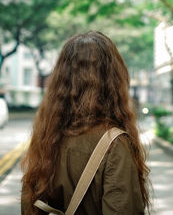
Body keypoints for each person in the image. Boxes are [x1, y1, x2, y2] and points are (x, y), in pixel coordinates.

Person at [21, 31, 150, 215]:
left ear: (60, 80)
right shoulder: (114, 144)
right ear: (114, 79)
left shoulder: (47, 137)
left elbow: (28, 207)